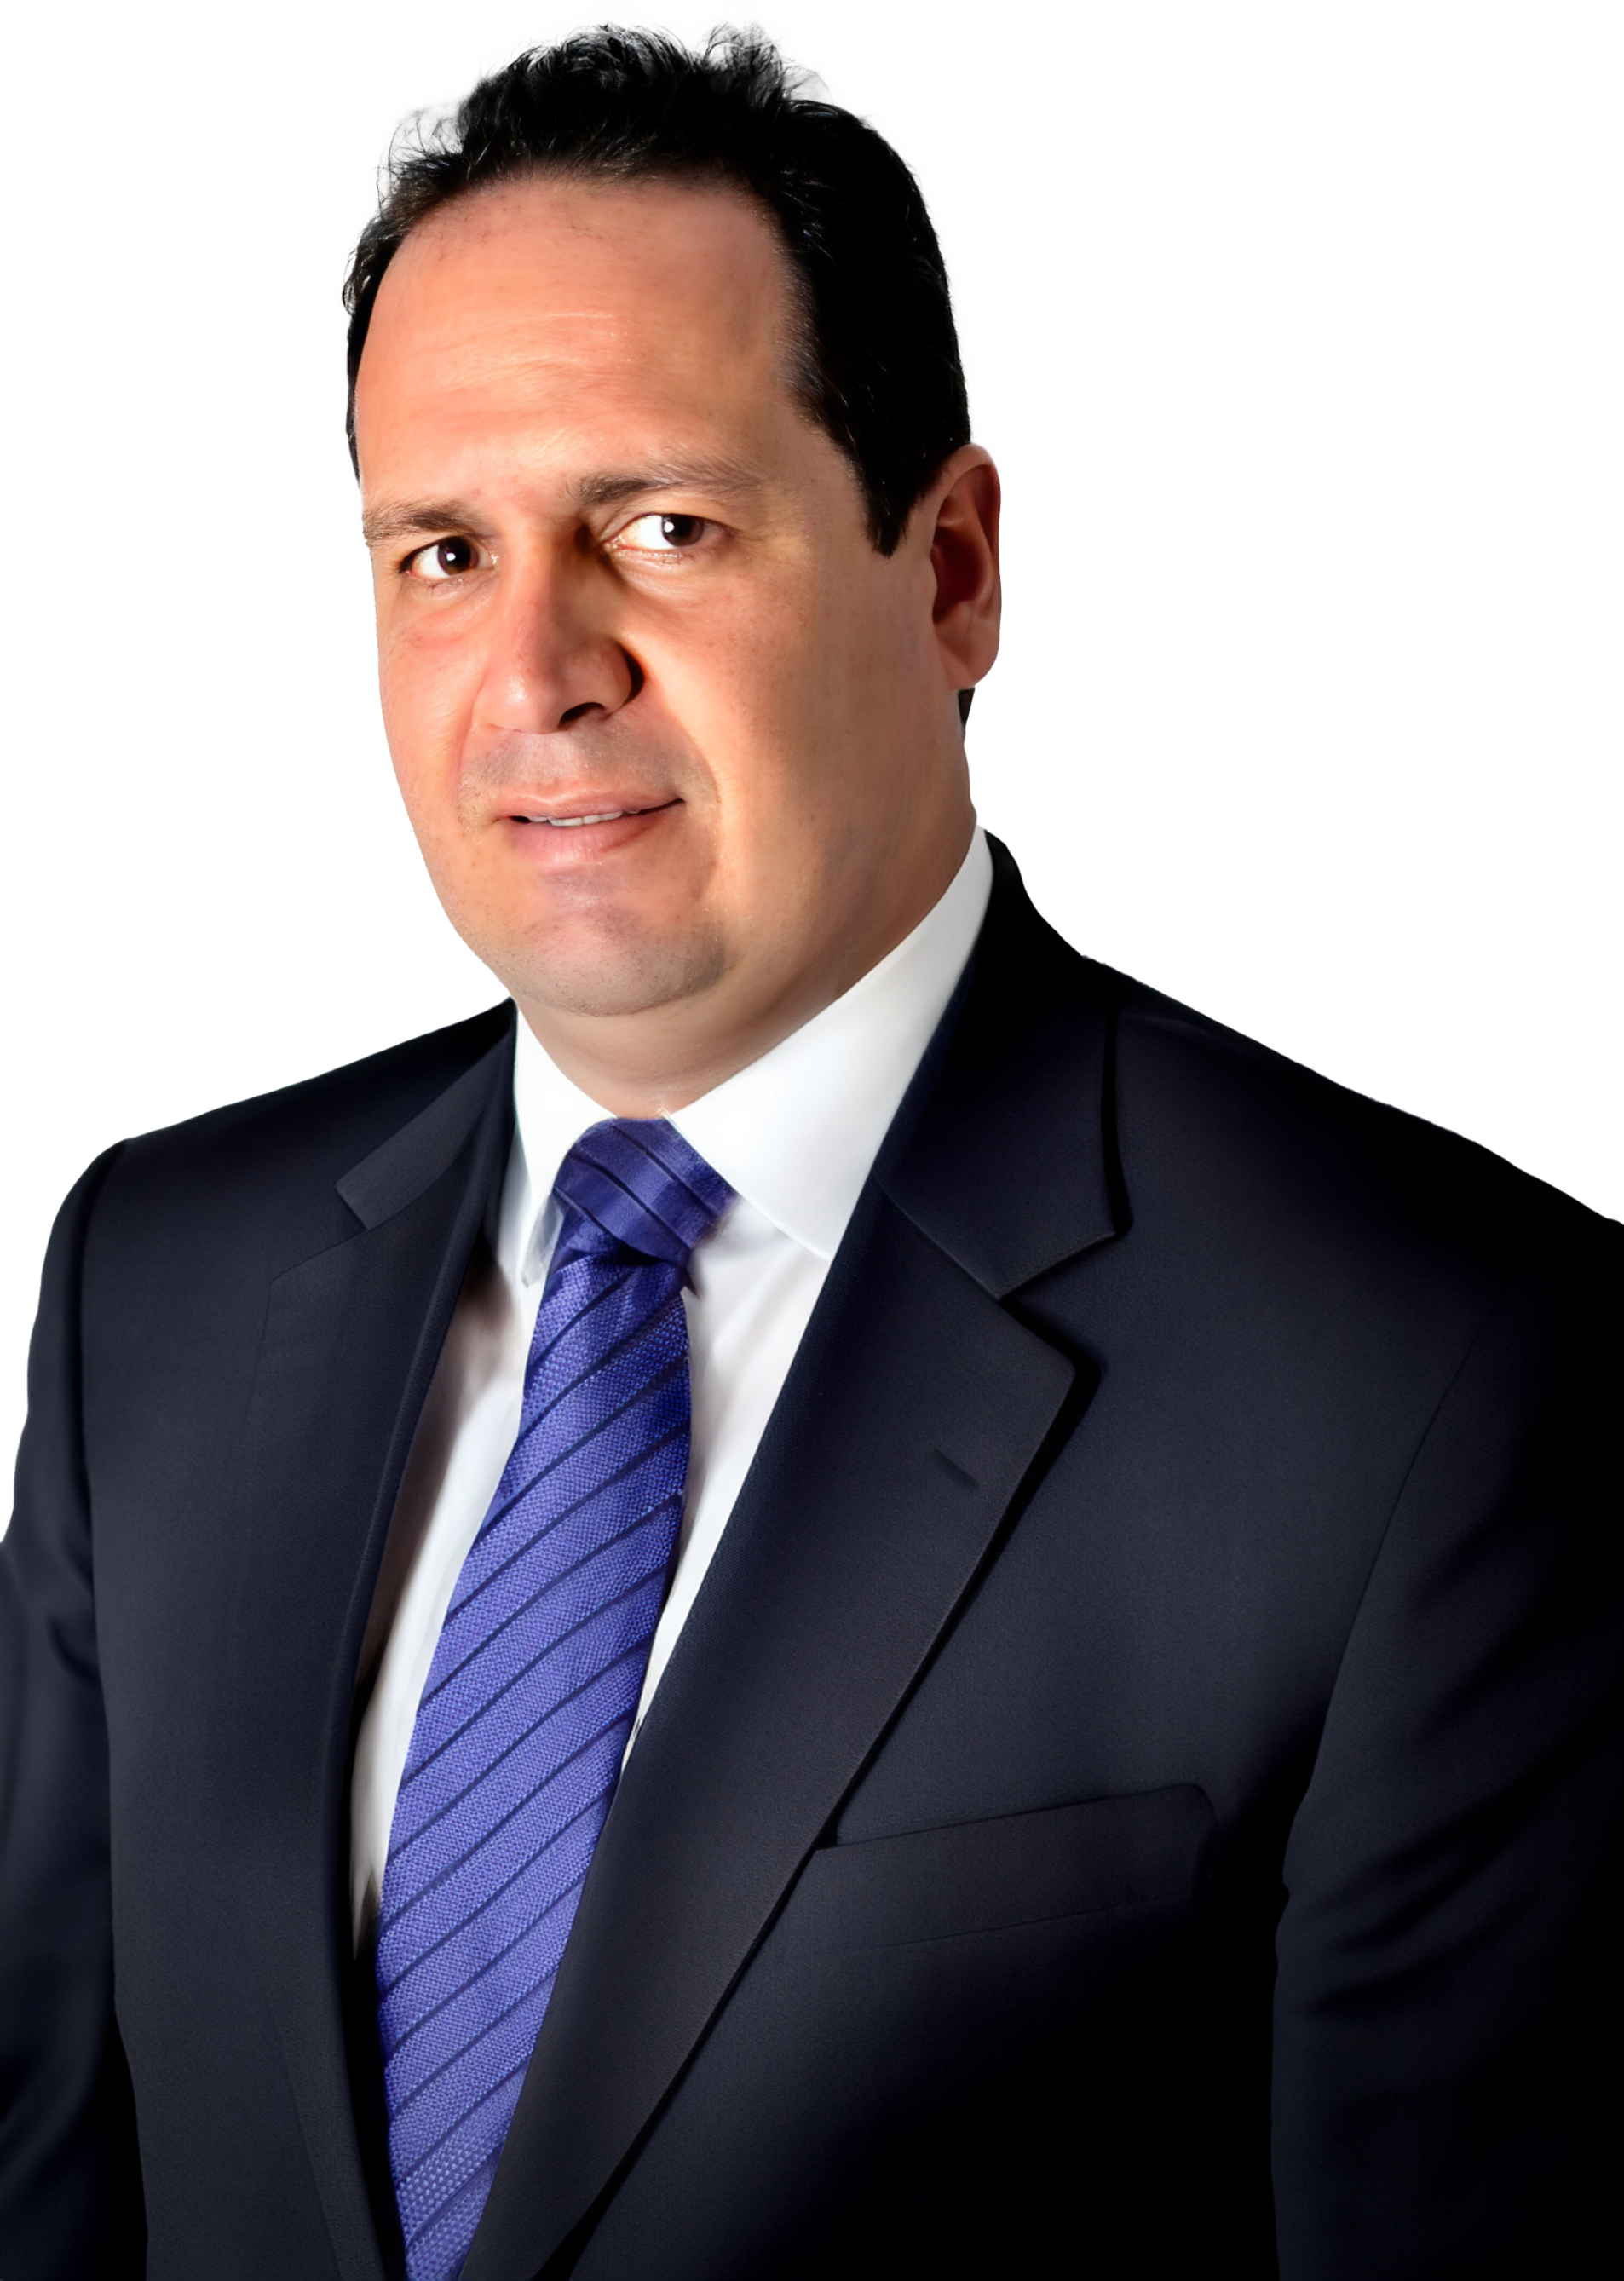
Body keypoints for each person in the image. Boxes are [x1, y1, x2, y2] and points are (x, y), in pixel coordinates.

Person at [2, 22, 1618, 2281]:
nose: (536, 669)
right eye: (442, 550)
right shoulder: (150, 1285)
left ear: (949, 569)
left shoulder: (1436, 1372)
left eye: (661, 528)